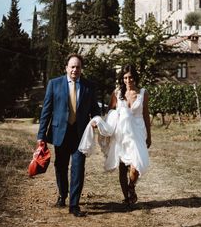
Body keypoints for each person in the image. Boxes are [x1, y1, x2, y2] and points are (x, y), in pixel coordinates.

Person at [37, 53, 101, 217]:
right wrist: (41, 135)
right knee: (60, 167)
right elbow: (46, 111)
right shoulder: (54, 84)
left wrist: (95, 120)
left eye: (78, 67)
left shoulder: (89, 86)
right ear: (66, 68)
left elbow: (96, 110)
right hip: (60, 133)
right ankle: (62, 194)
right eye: (72, 66)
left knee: (78, 169)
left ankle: (74, 205)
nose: (75, 70)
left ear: (81, 69)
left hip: (80, 134)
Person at [105, 64, 151, 206]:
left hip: (137, 132)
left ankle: (131, 187)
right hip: (121, 133)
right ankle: (127, 198)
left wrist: (149, 135)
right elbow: (110, 111)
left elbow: (145, 115)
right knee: (122, 167)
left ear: (135, 78)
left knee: (135, 165)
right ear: (122, 79)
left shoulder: (143, 93)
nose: (128, 80)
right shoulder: (117, 93)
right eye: (125, 77)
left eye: (130, 77)